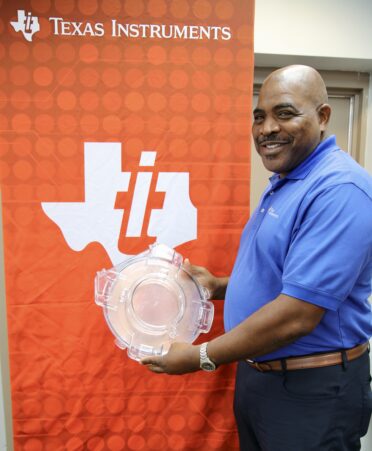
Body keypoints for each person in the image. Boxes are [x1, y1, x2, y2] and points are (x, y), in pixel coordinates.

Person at [141, 65, 372, 450]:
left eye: (284, 113)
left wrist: (201, 356)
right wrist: (218, 287)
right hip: (262, 378)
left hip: (311, 391)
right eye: (259, 116)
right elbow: (284, 280)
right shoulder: (286, 181)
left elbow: (299, 313)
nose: (266, 129)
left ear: (323, 117)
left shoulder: (339, 190)